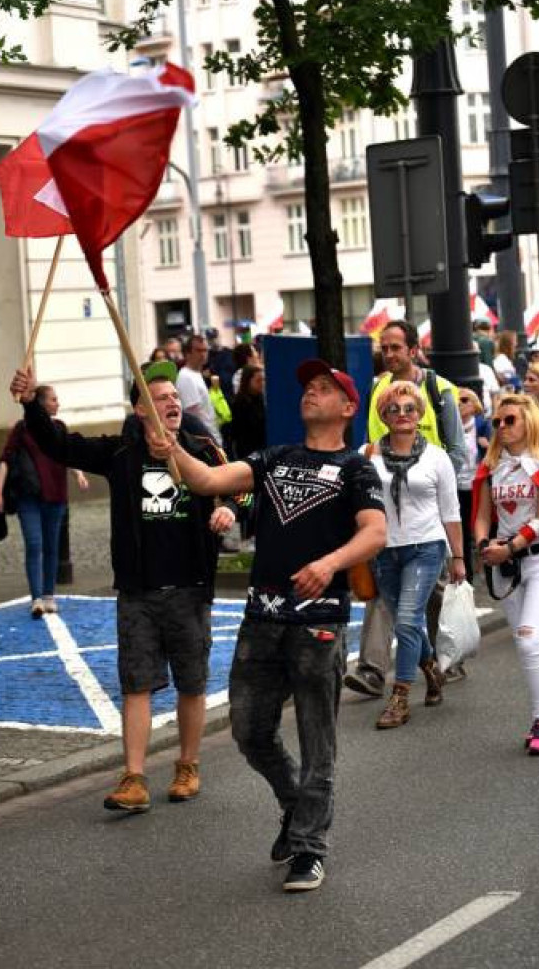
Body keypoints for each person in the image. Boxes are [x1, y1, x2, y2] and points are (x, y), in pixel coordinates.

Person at [147, 359, 386, 893]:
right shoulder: (276, 457)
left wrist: (329, 565)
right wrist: (171, 448)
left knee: (317, 740)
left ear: (348, 408)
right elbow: (207, 478)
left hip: (318, 624)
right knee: (249, 731)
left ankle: (309, 848)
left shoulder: (356, 469)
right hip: (262, 620)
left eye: (325, 389)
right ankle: (294, 802)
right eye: (308, 388)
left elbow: (374, 533)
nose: (311, 394)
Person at [9, 359, 245, 810]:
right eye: (161, 398)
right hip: (139, 591)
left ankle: (188, 765)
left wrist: (231, 509)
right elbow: (57, 443)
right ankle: (134, 777)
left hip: (190, 586)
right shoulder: (120, 453)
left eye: (175, 396)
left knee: (191, 682)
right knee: (136, 684)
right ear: (141, 410)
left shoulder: (200, 444)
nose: (173, 403)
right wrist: (30, 403)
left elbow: (242, 486)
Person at [345, 319, 467, 698]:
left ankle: (421, 677)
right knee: (396, 607)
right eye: (385, 347)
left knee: (423, 605)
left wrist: (426, 473)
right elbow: (368, 446)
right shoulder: (378, 387)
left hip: (427, 519)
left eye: (396, 346)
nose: (390, 353)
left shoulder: (440, 389)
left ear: (414, 350)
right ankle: (373, 670)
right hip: (386, 524)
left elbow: (457, 453)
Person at [364, 382, 465, 730]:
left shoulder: (437, 457)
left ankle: (400, 697)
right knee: (406, 623)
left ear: (419, 414)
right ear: (384, 417)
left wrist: (458, 559)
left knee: (406, 622)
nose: (402, 414)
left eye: (409, 408)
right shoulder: (369, 454)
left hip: (426, 546)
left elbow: (451, 511)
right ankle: (433, 670)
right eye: (394, 409)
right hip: (383, 550)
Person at [473, 393, 539, 755]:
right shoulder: (491, 466)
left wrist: (512, 545)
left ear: (528, 420)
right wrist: (484, 543)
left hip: (535, 559)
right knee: (526, 644)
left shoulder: (538, 462)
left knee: (531, 640)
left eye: (509, 420)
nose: (501, 427)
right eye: (497, 421)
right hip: (506, 565)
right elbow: (482, 513)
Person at [0, 384, 88, 618]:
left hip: (56, 495)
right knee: (34, 545)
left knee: (51, 546)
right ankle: (36, 598)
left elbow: (68, 454)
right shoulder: (22, 429)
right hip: (29, 497)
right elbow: (5, 459)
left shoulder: (60, 427)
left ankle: (48, 595)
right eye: (54, 399)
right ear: (42, 403)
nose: (58, 403)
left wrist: (78, 474)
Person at [456, 388, 491, 582]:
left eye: (464, 399)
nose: (459, 403)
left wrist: (486, 445)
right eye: (456, 400)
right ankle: (466, 576)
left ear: (475, 404)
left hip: (478, 487)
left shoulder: (483, 425)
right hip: (457, 486)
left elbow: (495, 452)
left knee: (479, 529)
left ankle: (488, 569)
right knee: (461, 532)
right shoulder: (450, 427)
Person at [176, 334, 222, 445]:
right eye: (199, 350)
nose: (203, 354)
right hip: (204, 441)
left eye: (205, 350)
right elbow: (193, 416)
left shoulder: (195, 374)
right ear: (187, 353)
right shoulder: (186, 377)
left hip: (211, 437)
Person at [230, 365, 266, 459]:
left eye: (263, 380)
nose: (262, 383)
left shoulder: (261, 398)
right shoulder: (240, 403)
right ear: (247, 382)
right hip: (247, 450)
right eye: (258, 381)